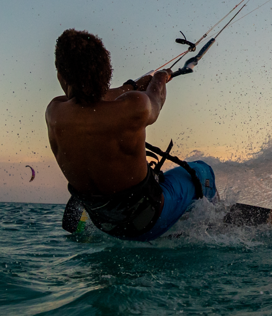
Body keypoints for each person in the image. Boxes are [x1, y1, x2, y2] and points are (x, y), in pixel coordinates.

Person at [46, 28, 216, 240]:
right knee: (202, 171)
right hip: (150, 222)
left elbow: (91, 99)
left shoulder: (54, 112)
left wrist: (132, 85)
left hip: (106, 225)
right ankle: (212, 221)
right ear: (106, 71)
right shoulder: (134, 108)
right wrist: (160, 79)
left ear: (61, 76)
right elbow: (156, 100)